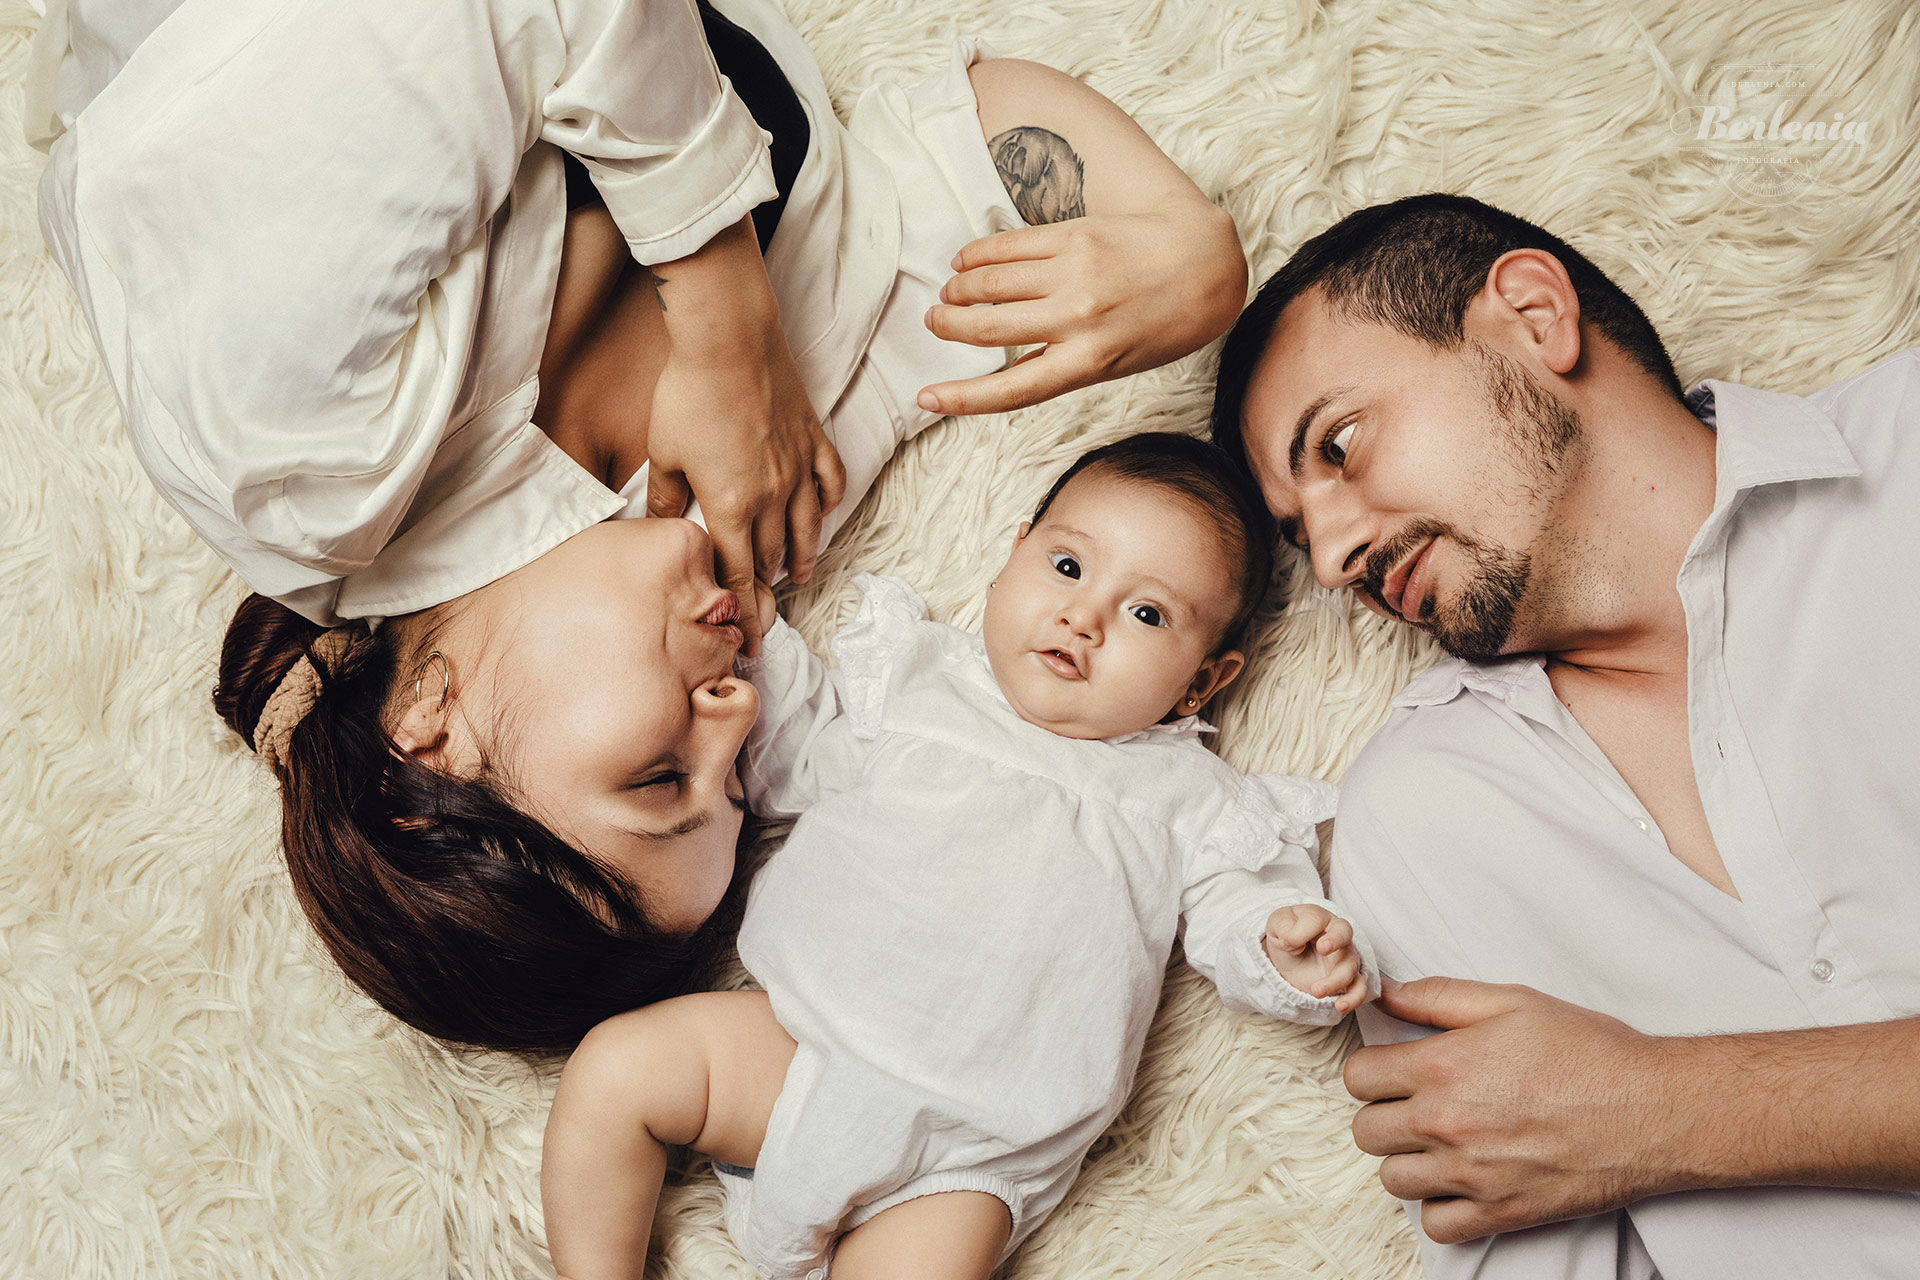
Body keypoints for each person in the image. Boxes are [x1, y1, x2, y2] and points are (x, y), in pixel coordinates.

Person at [31, 0, 1247, 1050]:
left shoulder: (287, 456)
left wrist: (722, 312)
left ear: (428, 740)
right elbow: (962, 187)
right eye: (734, 786)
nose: (739, 715)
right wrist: (1193, 261)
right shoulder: (746, 504)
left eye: (661, 774)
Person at [1208, 192, 1920, 1276]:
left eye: (1339, 446)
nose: (1336, 557)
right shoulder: (1423, 819)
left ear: (1535, 314)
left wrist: (1660, 1111)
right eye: (1300, 534)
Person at [540, 433, 1376, 1280]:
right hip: (796, 1043)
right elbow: (791, 753)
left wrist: (1282, 945)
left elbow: (1238, 912)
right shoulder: (913, 684)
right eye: (1066, 567)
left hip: (972, 1153)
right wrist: (753, 647)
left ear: (1201, 681)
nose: (1081, 617)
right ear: (1009, 560)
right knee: (615, 1072)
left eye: (1147, 613)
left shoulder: (1191, 801)